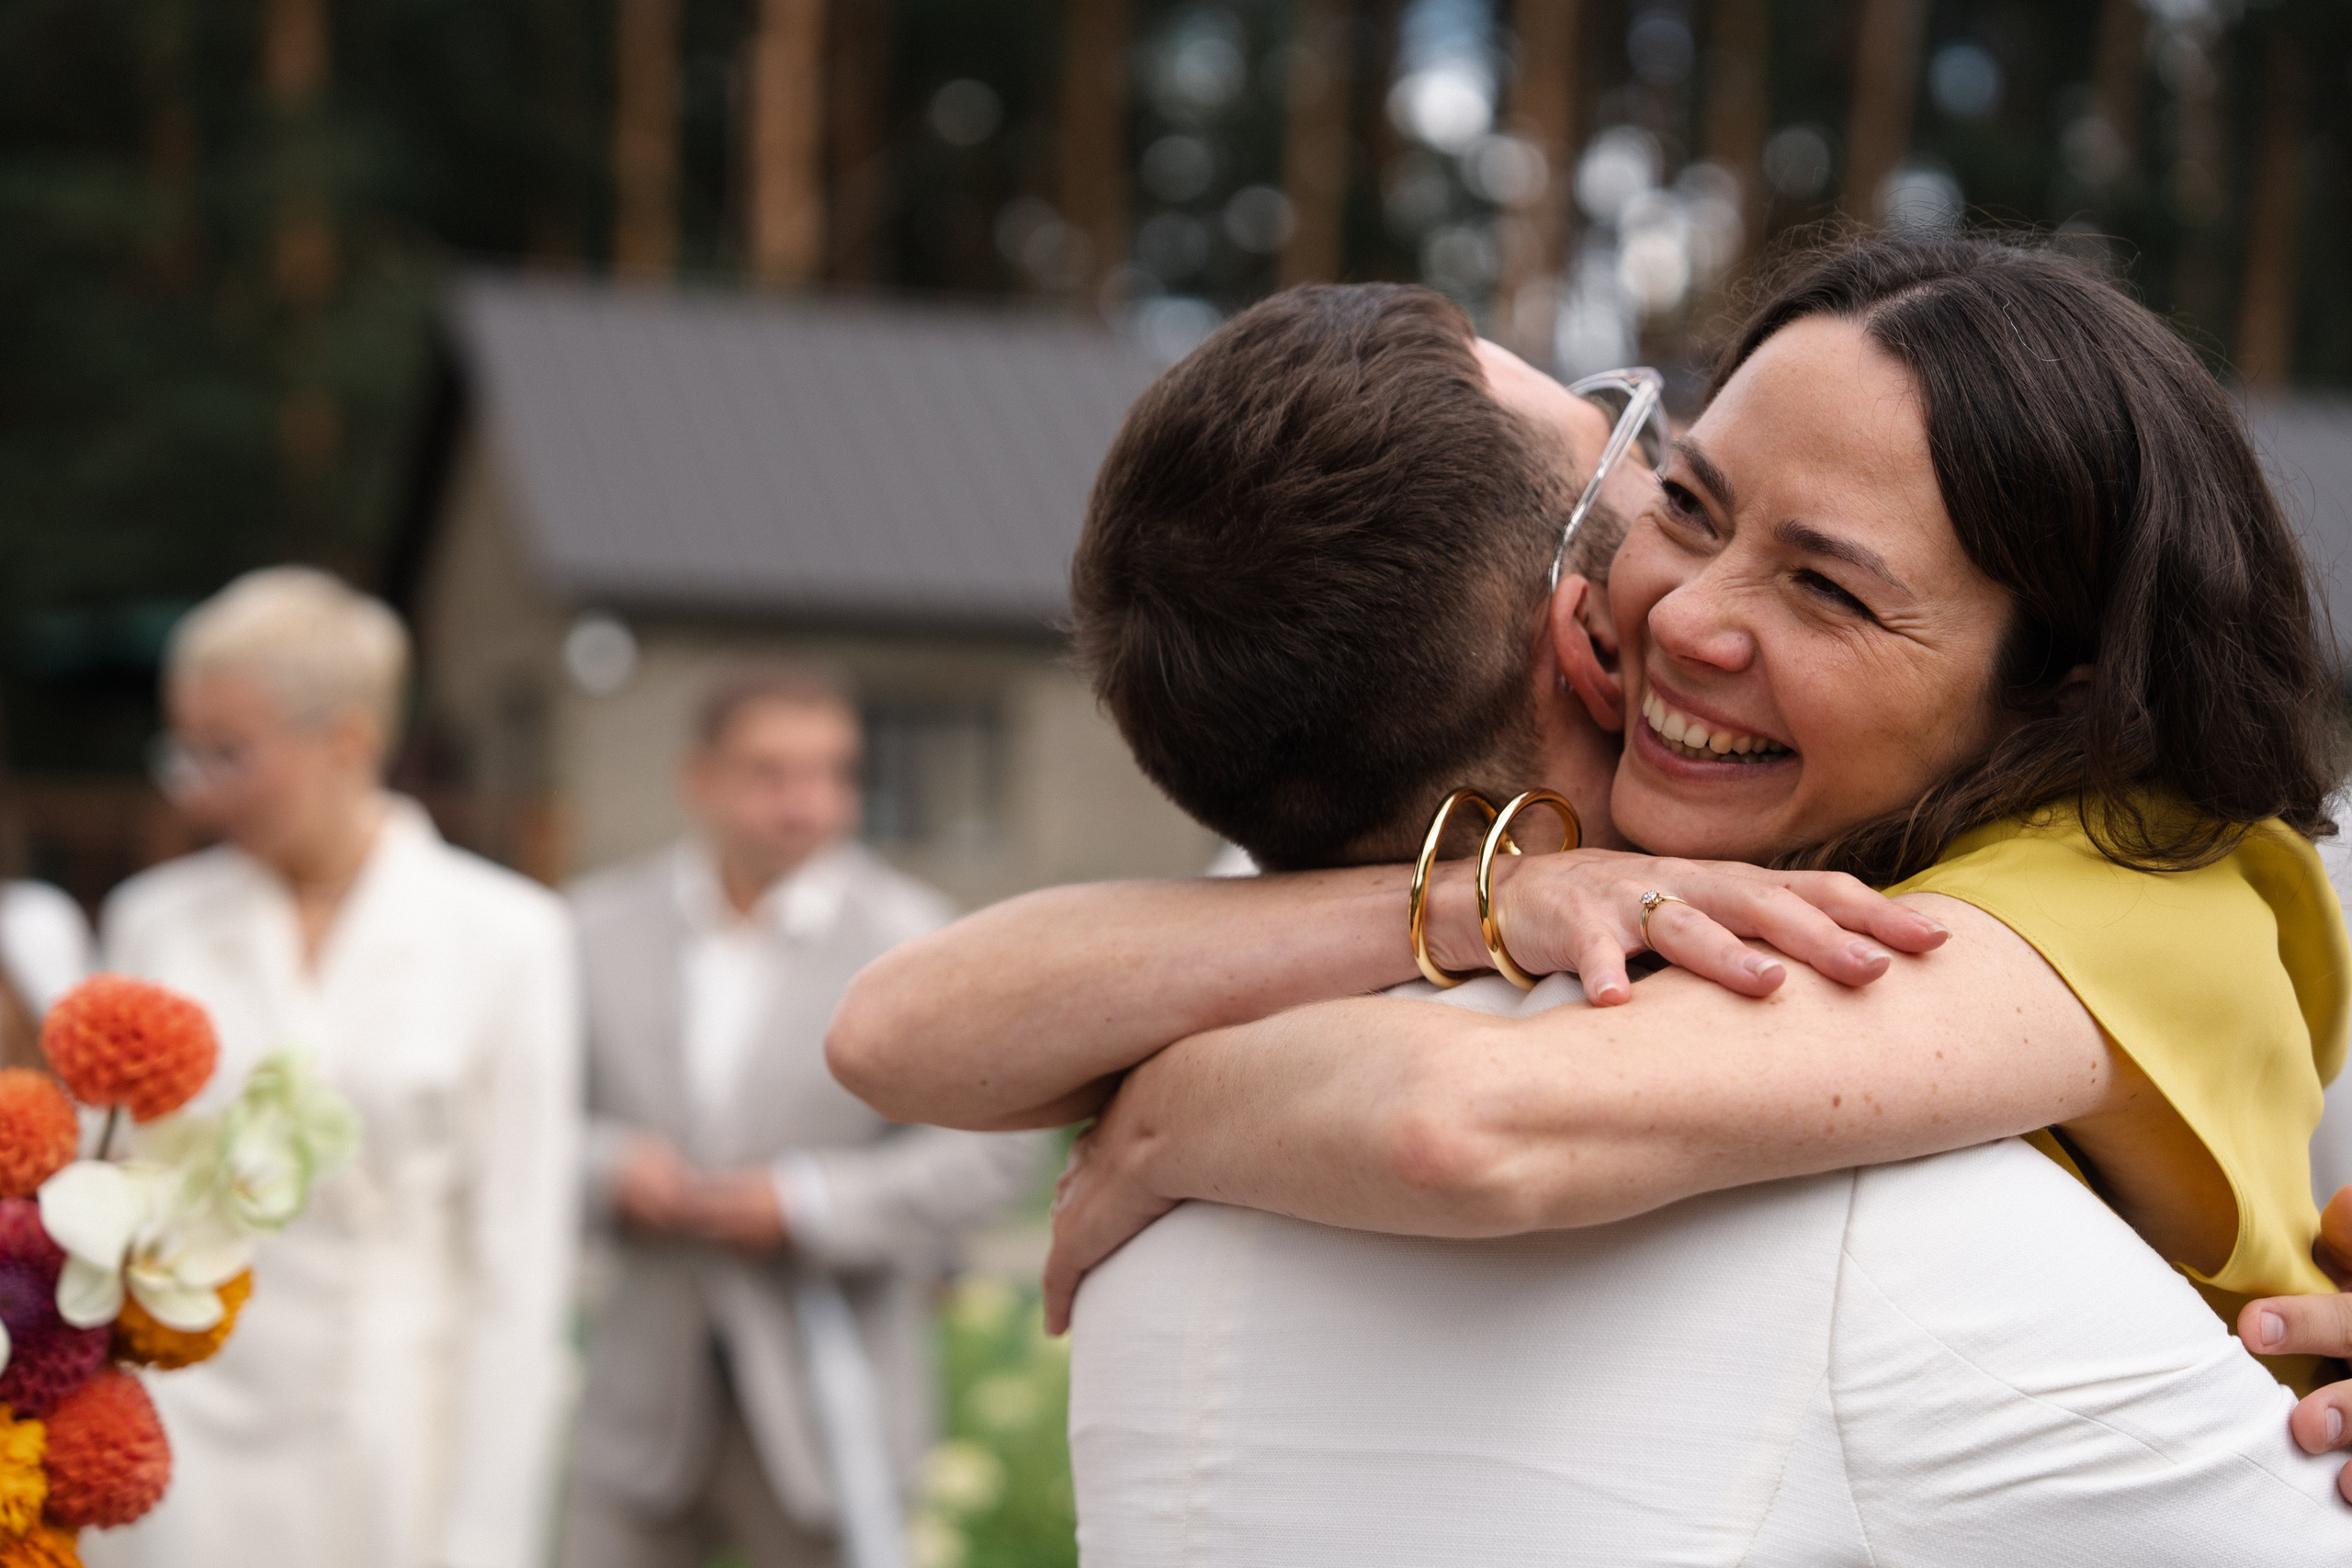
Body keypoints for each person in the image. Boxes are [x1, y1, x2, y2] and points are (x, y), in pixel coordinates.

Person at [826, 254, 2352, 1547]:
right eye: (1685, 498)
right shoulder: (1544, 880)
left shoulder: (2146, 882)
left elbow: (1480, 1118)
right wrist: (1492, 896)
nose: (1682, 611)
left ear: (2063, 680)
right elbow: (898, 1026)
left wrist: (1165, 1109)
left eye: (1825, 585)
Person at [86, 568, 582, 1568]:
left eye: (229, 751)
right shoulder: (156, 916)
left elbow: (521, 1262)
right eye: (184, 748)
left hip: (396, 1428)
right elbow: (112, 1196)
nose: (195, 785)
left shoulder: (509, 935)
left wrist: (487, 1534)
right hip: (188, 1424)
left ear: (348, 740)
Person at [561, 661, 1045, 1568]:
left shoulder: (922, 940)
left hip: (833, 1407)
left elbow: (994, 1149)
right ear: (696, 778)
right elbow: (523, 1122)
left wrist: (810, 1203)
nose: (807, 802)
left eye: (833, 773)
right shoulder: (590, 928)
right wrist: (607, 1169)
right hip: (637, 1411)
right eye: (771, 773)